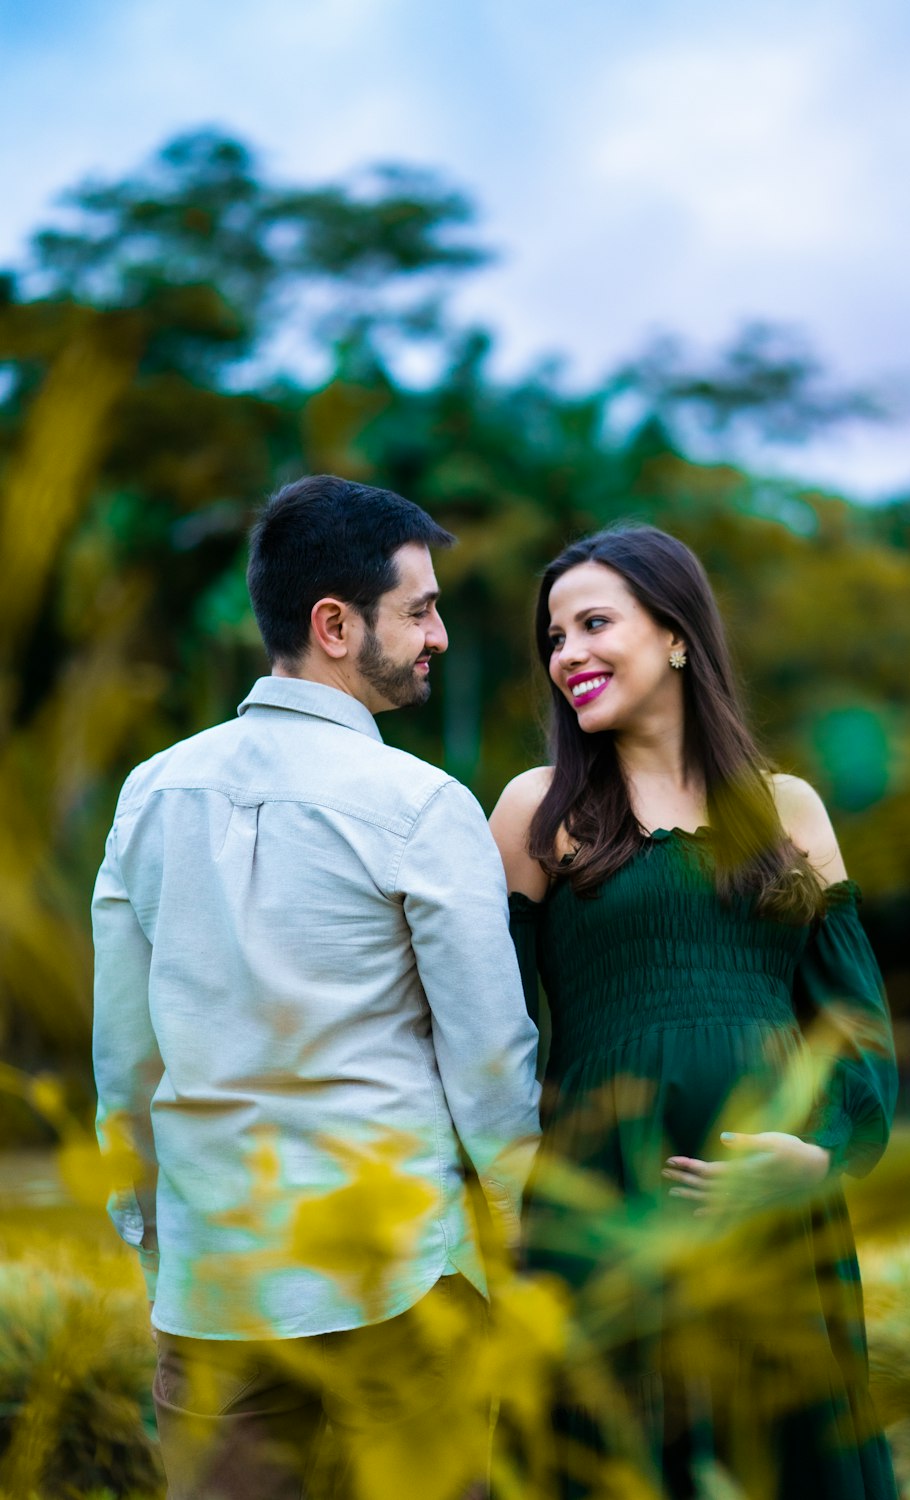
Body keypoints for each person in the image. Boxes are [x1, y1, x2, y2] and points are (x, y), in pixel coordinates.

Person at [92, 474, 540, 1500]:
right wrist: (512, 1224)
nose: (435, 635)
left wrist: (151, 1224)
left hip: (217, 1281)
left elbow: (124, 1047)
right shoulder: (421, 805)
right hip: (401, 1278)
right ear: (334, 624)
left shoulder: (153, 792)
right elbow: (488, 1057)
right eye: (418, 610)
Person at [489, 526, 898, 1499]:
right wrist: (503, 1194)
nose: (567, 656)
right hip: (601, 1209)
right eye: (553, 637)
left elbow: (856, 1027)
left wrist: (820, 1154)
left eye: (594, 624)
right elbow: (484, 1033)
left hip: (772, 1213)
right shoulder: (534, 810)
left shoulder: (787, 808)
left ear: (676, 635)